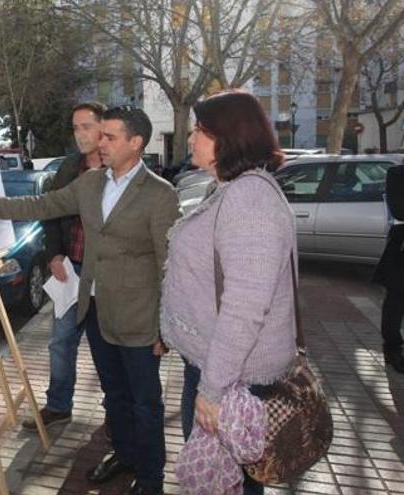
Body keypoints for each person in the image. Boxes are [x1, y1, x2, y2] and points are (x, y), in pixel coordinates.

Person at [0, 106, 180, 495]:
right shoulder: (92, 183)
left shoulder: (160, 195)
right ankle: (124, 454)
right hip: (93, 309)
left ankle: (151, 479)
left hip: (138, 317)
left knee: (145, 403)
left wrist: (166, 326)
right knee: (114, 395)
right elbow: (42, 206)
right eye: (101, 135)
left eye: (110, 137)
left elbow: (168, 266)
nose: (101, 142)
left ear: (136, 143)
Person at [160, 90, 296, 495]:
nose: (191, 138)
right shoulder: (228, 189)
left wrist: (212, 389)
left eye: (201, 130)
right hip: (217, 369)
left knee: (228, 485)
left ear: (229, 137)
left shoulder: (249, 199)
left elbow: (245, 307)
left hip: (232, 379)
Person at [21, 101, 108, 432]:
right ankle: (59, 406)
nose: (80, 134)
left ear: (103, 127)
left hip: (106, 275)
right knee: (61, 342)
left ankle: (114, 409)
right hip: (71, 270)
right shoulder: (70, 167)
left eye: (87, 126)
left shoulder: (120, 167)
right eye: (75, 127)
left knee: (107, 349)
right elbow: (51, 213)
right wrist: (55, 255)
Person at [374, 164, 404, 373]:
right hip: (401, 249)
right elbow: (399, 208)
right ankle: (393, 348)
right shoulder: (397, 174)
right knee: (396, 299)